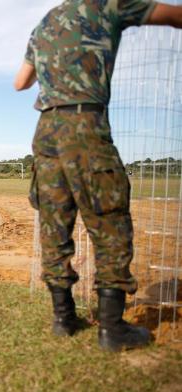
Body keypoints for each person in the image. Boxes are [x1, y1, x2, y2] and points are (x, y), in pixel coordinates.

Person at [15, 1, 182, 351]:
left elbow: (20, 82)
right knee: (110, 224)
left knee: (53, 224)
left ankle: (63, 319)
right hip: (85, 123)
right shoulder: (109, 4)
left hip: (46, 128)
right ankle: (111, 329)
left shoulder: (45, 22)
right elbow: (174, 14)